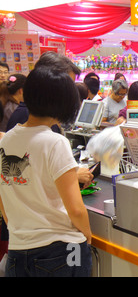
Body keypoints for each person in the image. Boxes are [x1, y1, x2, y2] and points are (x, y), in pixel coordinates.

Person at [0, 66, 92, 277]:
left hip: (17, 250)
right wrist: (87, 235)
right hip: (61, 250)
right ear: (63, 103)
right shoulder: (55, 142)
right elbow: (76, 209)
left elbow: (3, 200)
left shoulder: (7, 140)